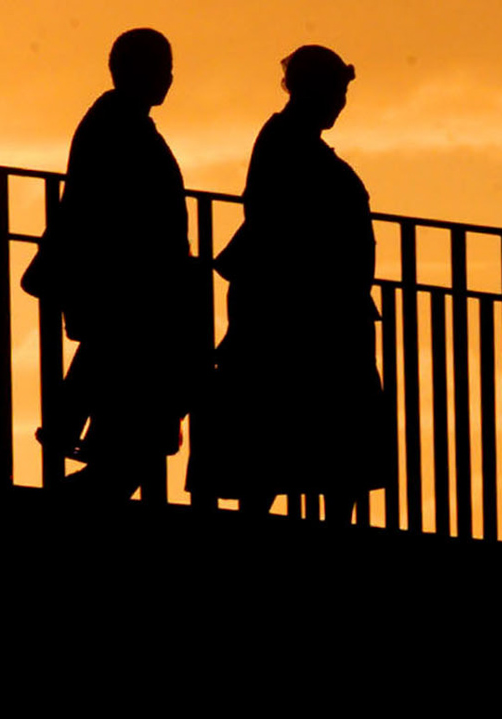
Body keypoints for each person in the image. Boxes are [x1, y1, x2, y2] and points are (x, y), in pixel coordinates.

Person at [185, 44, 387, 522]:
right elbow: (284, 227)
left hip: (316, 312)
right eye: (337, 91)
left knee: (303, 431)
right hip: (305, 315)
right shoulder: (287, 144)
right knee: (294, 426)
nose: (341, 103)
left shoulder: (288, 142)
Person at [25, 28, 206, 500]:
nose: (168, 77)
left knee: (130, 454)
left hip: (138, 310)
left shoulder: (119, 123)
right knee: (130, 453)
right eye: (160, 67)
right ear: (133, 70)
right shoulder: (117, 126)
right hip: (135, 308)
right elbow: (115, 221)